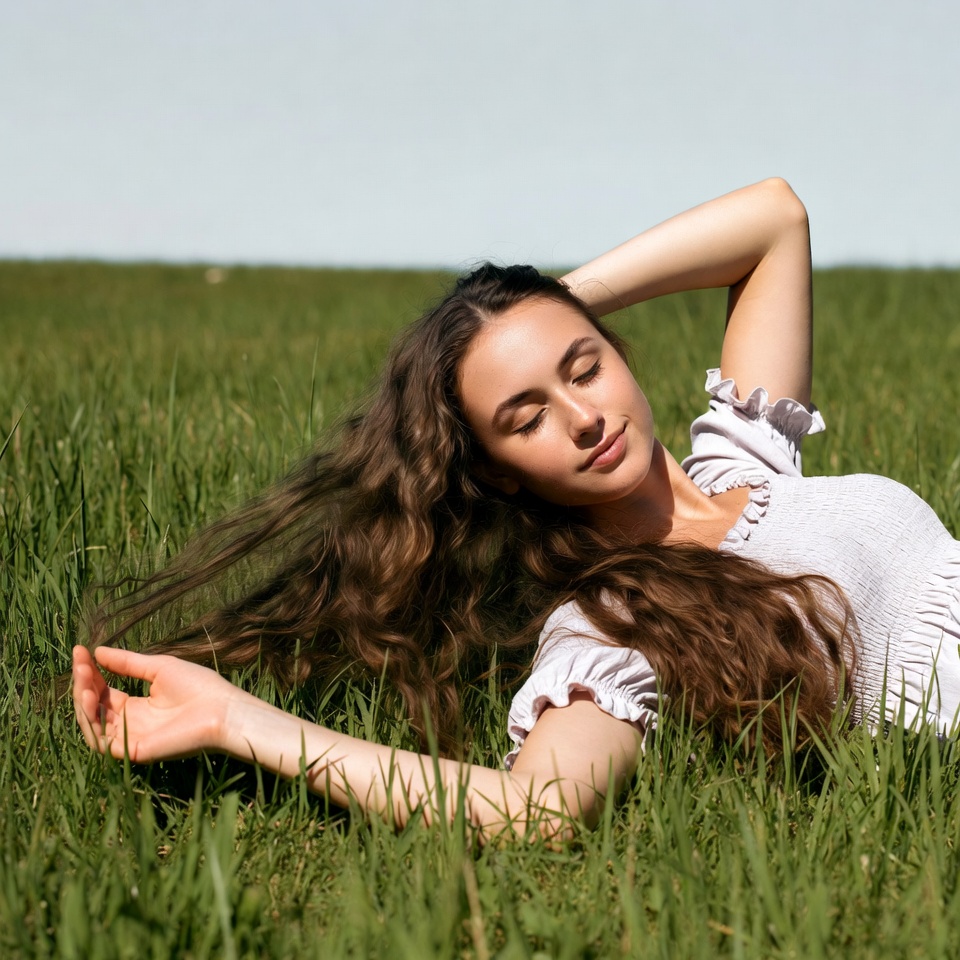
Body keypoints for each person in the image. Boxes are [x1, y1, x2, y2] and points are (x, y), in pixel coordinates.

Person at [73, 178, 960, 841]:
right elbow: (535, 812)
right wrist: (239, 721)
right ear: (497, 473)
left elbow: (773, 219)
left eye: (584, 367)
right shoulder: (608, 625)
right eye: (524, 415)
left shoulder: (747, 457)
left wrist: (532, 314)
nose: (583, 420)